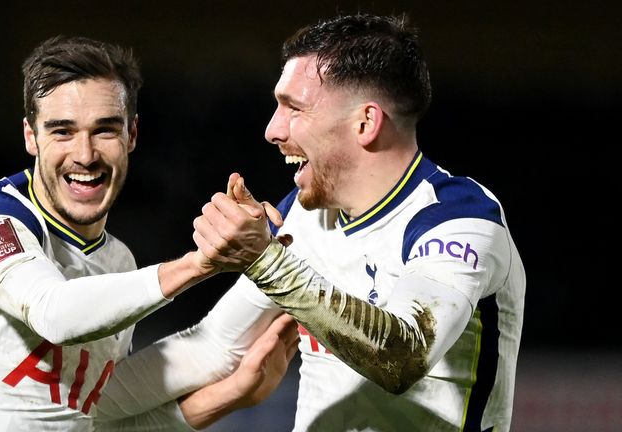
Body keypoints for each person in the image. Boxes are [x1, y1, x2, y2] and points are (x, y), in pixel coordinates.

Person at [99, 13, 526, 432]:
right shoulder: (306, 217)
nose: (272, 130)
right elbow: (214, 348)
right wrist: (63, 404)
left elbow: (403, 357)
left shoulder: (458, 219)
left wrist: (266, 263)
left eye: (293, 108)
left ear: (365, 122)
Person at [0, 35, 298, 432]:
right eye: (62, 131)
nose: (85, 155)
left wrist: (269, 249)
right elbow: (54, 312)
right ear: (30, 137)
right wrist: (200, 263)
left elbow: (97, 420)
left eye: (104, 130)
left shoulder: (116, 261)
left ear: (132, 135)